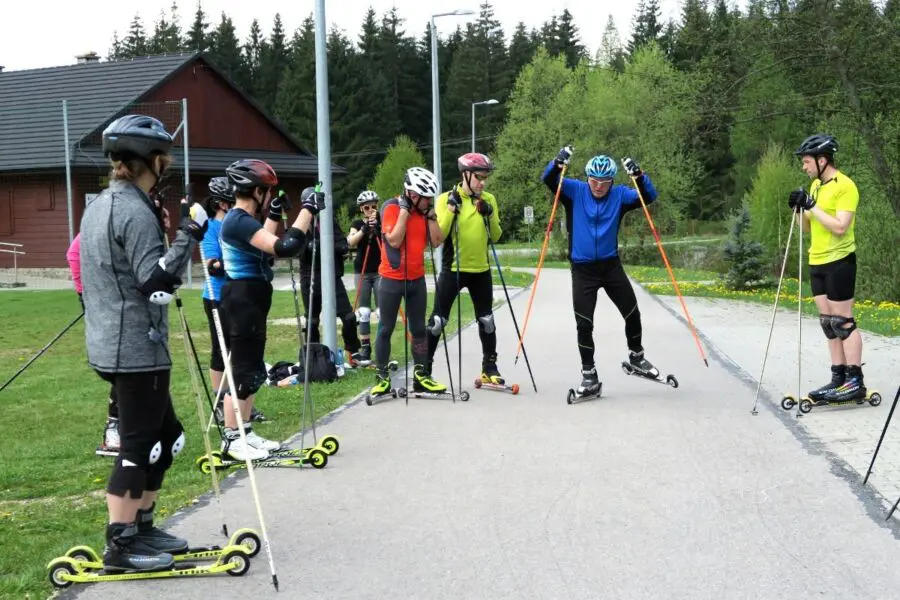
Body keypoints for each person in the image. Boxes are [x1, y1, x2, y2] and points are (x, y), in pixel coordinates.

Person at [80, 114, 209, 571]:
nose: (168, 165)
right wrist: (189, 235)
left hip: (115, 340)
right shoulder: (134, 211)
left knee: (168, 437)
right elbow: (154, 283)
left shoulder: (101, 203)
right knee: (140, 445)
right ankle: (120, 545)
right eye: (165, 158)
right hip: (134, 346)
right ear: (152, 159)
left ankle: (143, 526)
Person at [219, 160, 323, 461]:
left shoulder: (244, 221)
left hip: (250, 297)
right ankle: (231, 438)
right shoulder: (237, 220)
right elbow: (285, 247)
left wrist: (276, 213)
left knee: (252, 369)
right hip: (242, 298)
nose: (268, 197)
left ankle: (244, 432)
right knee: (243, 368)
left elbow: (263, 243)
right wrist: (308, 209)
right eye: (267, 192)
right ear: (256, 191)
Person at [541, 147, 660, 396]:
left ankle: (637, 357)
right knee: (584, 324)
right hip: (583, 270)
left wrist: (639, 176)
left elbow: (648, 196)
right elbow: (549, 180)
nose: (598, 186)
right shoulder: (574, 191)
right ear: (587, 179)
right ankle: (589, 375)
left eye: (604, 182)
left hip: (610, 266)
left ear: (611, 181)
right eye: (594, 181)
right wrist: (557, 163)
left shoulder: (619, 196)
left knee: (632, 312)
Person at [788, 133, 866, 403]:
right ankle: (838, 378)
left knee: (843, 322)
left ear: (823, 160)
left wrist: (812, 206)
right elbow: (808, 227)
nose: (804, 166)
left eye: (807, 161)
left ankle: (855, 380)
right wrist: (799, 209)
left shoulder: (846, 186)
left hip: (840, 260)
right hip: (817, 259)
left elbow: (841, 226)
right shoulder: (816, 187)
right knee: (828, 324)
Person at [369, 167, 450, 396]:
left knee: (419, 329)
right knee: (386, 328)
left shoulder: (424, 212)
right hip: (391, 280)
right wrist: (405, 214)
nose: (429, 202)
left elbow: (436, 241)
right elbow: (393, 241)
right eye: (426, 198)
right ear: (413, 195)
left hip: (417, 279)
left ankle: (421, 376)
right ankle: (382, 378)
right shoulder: (391, 207)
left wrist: (432, 216)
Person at [425, 153, 503, 384]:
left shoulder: (489, 198)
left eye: (485, 177)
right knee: (438, 321)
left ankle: (490, 367)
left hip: (481, 270)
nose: (483, 182)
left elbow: (496, 236)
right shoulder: (445, 199)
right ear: (465, 175)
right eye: (479, 177)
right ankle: (424, 369)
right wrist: (451, 210)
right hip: (454, 270)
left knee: (487, 320)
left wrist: (489, 214)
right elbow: (439, 237)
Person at [201, 177, 267, 424]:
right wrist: (235, 259)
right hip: (216, 294)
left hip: (237, 296)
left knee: (239, 355)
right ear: (220, 204)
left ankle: (240, 406)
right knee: (221, 351)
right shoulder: (212, 228)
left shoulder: (241, 222)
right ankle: (221, 405)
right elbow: (211, 264)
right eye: (229, 202)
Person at [67, 232, 121, 455]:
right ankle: (114, 428)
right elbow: (73, 253)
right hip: (105, 304)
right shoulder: (100, 221)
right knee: (122, 366)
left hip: (126, 303)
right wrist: (85, 294)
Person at [297, 187, 362, 362]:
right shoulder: (302, 223)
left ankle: (354, 351)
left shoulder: (328, 222)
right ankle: (314, 355)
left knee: (348, 316)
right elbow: (296, 247)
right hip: (309, 277)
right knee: (312, 320)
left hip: (332, 276)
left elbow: (341, 242)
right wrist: (310, 245)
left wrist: (339, 246)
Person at [347, 190, 382, 365]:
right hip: (362, 271)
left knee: (383, 311)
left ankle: (383, 346)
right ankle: (366, 347)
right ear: (362, 209)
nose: (370, 210)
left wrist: (379, 228)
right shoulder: (357, 222)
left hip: (381, 271)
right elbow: (350, 241)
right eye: (366, 207)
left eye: (373, 206)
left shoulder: (382, 220)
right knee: (364, 312)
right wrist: (363, 230)